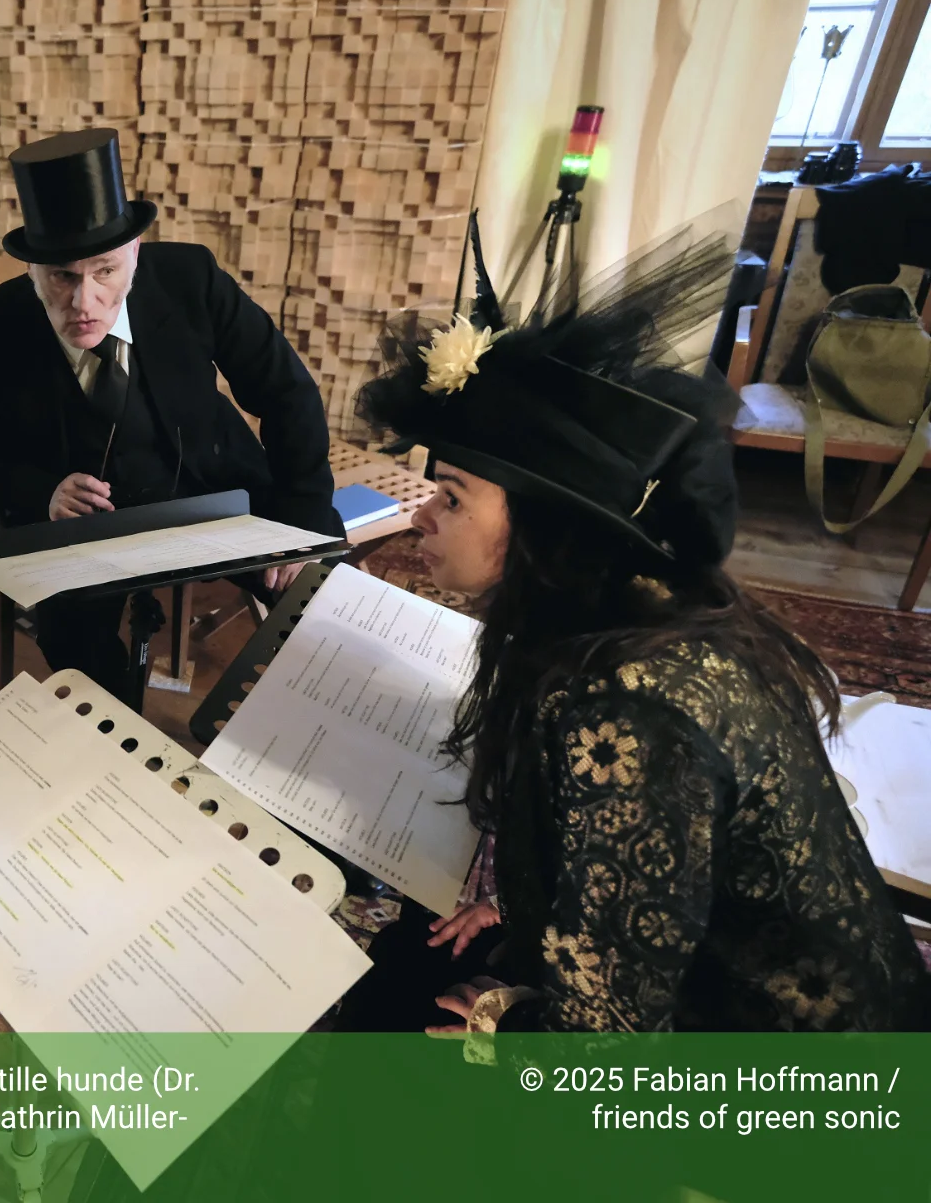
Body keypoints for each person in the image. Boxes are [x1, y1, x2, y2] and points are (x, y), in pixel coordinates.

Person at [346, 235, 929, 1035]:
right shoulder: (617, 613)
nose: (421, 516)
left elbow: (612, 1032)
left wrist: (501, 1025)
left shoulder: (630, 710)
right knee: (421, 947)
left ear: (546, 527)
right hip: (709, 977)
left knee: (392, 1015)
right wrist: (527, 905)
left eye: (451, 497)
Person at [0, 129, 343, 699]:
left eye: (104, 271)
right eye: (62, 277)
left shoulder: (191, 279)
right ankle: (122, 748)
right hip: (80, 529)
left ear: (134, 253)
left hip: (211, 489)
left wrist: (301, 522)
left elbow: (287, 392)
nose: (84, 303)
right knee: (83, 662)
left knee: (321, 599)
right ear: (32, 269)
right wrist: (42, 492)